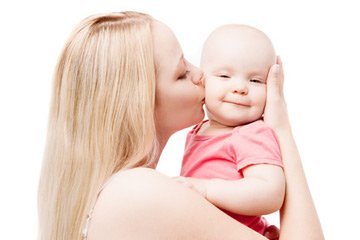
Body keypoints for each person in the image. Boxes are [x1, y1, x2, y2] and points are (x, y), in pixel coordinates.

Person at [38, 11, 324, 240]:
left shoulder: (125, 192)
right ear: (140, 100)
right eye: (181, 72)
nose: (200, 74)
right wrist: (281, 129)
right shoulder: (136, 190)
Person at [178, 24, 285, 236]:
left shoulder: (251, 133)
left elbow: (270, 192)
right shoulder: (200, 129)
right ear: (202, 80)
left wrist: (206, 189)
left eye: (255, 80)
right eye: (225, 76)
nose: (240, 87)